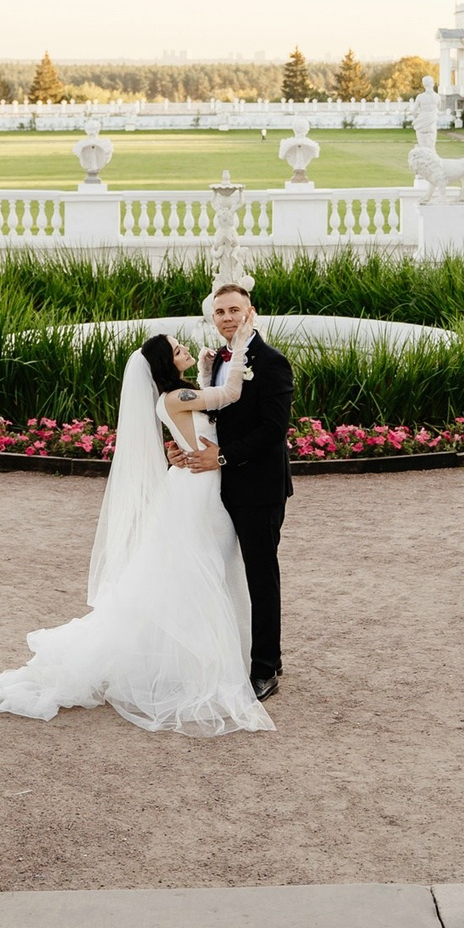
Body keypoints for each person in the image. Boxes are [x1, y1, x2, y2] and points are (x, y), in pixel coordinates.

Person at [0, 334, 273, 735]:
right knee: (204, 569)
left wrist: (205, 367)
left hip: (196, 480)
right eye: (176, 350)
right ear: (164, 364)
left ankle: (211, 656)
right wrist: (241, 347)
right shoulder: (175, 398)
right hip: (199, 490)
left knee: (204, 569)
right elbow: (230, 393)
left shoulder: (179, 395)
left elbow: (207, 402)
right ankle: (203, 662)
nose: (184, 349)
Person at [169, 282, 293, 698]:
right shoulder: (217, 361)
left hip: (259, 486)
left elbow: (274, 430)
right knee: (220, 573)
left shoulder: (271, 362)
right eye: (220, 311)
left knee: (261, 575)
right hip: (217, 488)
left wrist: (222, 457)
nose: (227, 318)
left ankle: (265, 668)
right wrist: (183, 448)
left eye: (234, 310)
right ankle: (231, 655)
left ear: (250, 312)